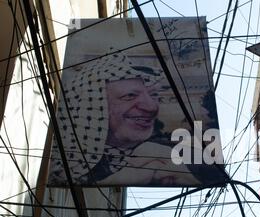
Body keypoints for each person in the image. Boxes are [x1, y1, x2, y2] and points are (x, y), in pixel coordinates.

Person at [48, 51, 200, 187]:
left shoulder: (156, 155)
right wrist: (119, 178)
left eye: (153, 95)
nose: (152, 107)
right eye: (130, 96)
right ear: (94, 106)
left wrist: (184, 177)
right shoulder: (61, 162)